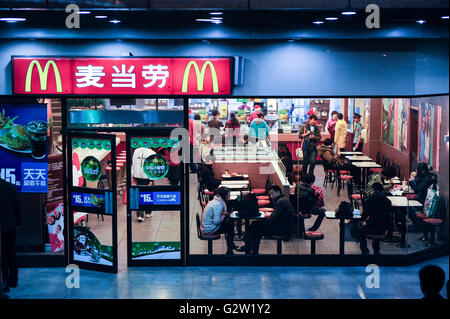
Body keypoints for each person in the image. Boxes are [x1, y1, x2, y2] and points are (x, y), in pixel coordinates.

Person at [237, 185, 293, 255]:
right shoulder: (283, 199)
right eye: (271, 194)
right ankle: (250, 248)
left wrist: (265, 221)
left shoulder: (280, 202)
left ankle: (250, 248)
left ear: (278, 192)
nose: (271, 196)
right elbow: (276, 217)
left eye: (272, 193)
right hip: (283, 226)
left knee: (256, 226)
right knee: (256, 224)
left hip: (280, 229)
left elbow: (274, 219)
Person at [0, 177, 22, 293]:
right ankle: (13, 280)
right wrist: (18, 223)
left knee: (2, 254)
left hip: (2, 227)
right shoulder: (10, 186)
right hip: (10, 226)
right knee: (11, 252)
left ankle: (4, 283)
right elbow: (17, 207)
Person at [358, 182, 392, 255]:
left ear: (373, 189)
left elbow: (364, 216)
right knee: (378, 224)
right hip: (383, 229)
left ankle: (365, 252)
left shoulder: (370, 200)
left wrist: (356, 219)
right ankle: (376, 251)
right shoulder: (388, 201)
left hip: (372, 227)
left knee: (360, 232)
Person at [201, 187, 236, 255]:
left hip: (206, 226)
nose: (229, 196)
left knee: (229, 224)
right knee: (230, 226)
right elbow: (216, 221)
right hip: (209, 229)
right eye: (228, 194)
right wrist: (223, 215)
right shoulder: (219, 205)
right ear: (224, 195)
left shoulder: (215, 201)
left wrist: (222, 214)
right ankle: (230, 250)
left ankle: (231, 246)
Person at [132, 147, 155, 222]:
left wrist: (133, 175)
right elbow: (153, 167)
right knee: (148, 194)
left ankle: (140, 215)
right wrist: (151, 179)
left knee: (139, 195)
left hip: (138, 176)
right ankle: (148, 212)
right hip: (147, 177)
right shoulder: (152, 152)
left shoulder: (136, 151)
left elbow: (133, 163)